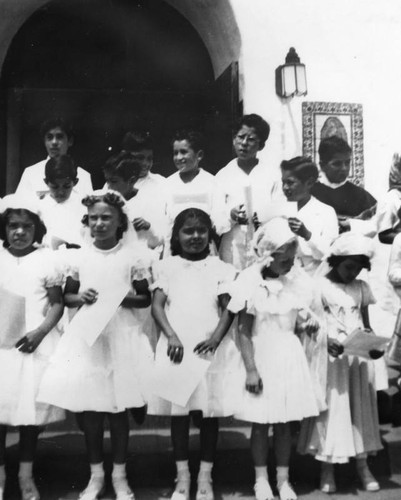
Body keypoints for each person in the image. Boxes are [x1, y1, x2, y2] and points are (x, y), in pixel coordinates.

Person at [38, 190, 153, 500]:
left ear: (119, 224)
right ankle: (95, 476)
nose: (99, 223)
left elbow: (145, 297)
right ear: (86, 222)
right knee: (91, 411)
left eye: (107, 218)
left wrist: (121, 296)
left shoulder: (133, 257)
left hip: (122, 336)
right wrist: (82, 296)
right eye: (94, 218)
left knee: (117, 411)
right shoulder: (78, 257)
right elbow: (68, 296)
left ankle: (119, 475)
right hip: (88, 339)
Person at [227, 217, 320, 500]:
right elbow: (243, 331)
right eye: (284, 261)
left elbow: (294, 321)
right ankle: (261, 480)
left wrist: (307, 327)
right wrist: (252, 370)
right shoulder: (250, 284)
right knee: (261, 423)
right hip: (262, 356)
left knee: (283, 424)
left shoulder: (293, 283)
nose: (290, 266)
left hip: (289, 357)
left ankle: (283, 479)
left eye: (292, 260)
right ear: (267, 257)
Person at [148, 208, 238, 500]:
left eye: (201, 231)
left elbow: (228, 308)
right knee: (180, 414)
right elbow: (158, 306)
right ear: (177, 236)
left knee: (208, 413)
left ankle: (205, 478)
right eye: (188, 231)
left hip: (208, 349)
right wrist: (171, 336)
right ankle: (183, 476)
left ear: (210, 235)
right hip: (178, 347)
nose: (195, 236)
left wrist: (215, 338)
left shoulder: (221, 269)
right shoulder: (167, 267)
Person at [297, 232, 383, 494]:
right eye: (348, 267)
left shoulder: (360, 288)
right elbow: (308, 325)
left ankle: (362, 465)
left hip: (357, 360)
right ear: (336, 261)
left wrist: (372, 343)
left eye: (357, 269)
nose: (352, 273)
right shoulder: (318, 286)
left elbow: (365, 324)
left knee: (359, 410)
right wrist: (327, 341)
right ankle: (327, 468)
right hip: (331, 359)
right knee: (334, 409)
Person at [0, 194, 65, 500]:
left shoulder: (45, 260)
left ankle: (26, 476)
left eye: (27, 227)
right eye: (13, 226)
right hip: (2, 349)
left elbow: (56, 303)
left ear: (36, 229)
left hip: (33, 345)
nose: (20, 232)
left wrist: (40, 332)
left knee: (30, 416)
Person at [216, 114, 284, 270]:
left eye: (251, 139)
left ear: (261, 145)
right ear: (234, 139)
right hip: (233, 249)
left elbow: (281, 211)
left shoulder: (273, 175)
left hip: (263, 247)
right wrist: (231, 215)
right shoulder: (223, 176)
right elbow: (215, 219)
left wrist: (262, 216)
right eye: (240, 137)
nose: (244, 143)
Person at [164, 129, 229, 247]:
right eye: (175, 153)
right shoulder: (167, 184)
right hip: (174, 249)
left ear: (199, 155)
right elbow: (163, 223)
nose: (178, 157)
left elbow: (220, 221)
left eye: (183, 152)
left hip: (204, 247)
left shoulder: (213, 183)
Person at [280, 156, 338, 275]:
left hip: (312, 277)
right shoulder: (278, 210)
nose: (285, 188)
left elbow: (330, 254)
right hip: (283, 278)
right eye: (283, 182)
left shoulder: (325, 212)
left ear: (309, 183)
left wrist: (307, 234)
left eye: (290, 183)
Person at [311, 136, 377, 237]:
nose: (344, 168)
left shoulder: (361, 195)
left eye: (347, 163)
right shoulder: (310, 193)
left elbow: (377, 226)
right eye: (337, 164)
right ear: (322, 165)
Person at [16, 117, 92, 199]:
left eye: (59, 137)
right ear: (44, 142)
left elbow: (88, 209)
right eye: (49, 137)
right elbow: (20, 207)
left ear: (70, 141)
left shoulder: (83, 176)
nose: (54, 142)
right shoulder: (30, 173)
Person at [103, 151, 165, 250]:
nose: (108, 186)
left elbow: (159, 241)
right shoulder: (103, 200)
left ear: (131, 181)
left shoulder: (149, 201)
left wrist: (148, 228)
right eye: (107, 181)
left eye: (114, 181)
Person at [39, 155, 85, 249]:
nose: (61, 192)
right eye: (55, 187)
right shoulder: (38, 207)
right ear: (46, 182)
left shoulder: (83, 207)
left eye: (66, 186)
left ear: (75, 182)